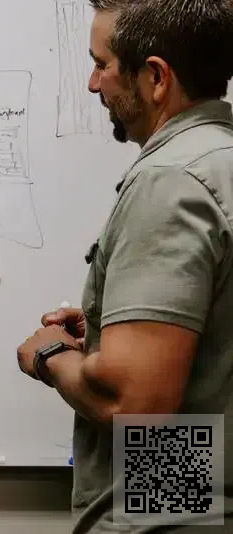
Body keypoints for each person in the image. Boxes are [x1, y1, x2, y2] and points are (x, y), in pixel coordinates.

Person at [15, 1, 233, 532]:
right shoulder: (221, 160)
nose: (93, 84)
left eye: (102, 64)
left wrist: (49, 355)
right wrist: (108, 332)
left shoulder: (172, 180)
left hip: (170, 515)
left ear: (156, 77)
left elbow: (134, 402)